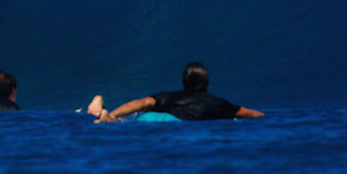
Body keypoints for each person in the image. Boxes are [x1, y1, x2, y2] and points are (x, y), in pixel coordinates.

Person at [88, 62, 263, 122]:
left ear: (184, 81)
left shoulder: (169, 96)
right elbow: (251, 114)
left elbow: (141, 103)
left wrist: (114, 114)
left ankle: (106, 113)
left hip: (152, 118)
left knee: (123, 122)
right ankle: (108, 117)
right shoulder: (216, 104)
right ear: (206, 81)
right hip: (174, 123)